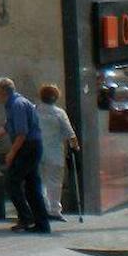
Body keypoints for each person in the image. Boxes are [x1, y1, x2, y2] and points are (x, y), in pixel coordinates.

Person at [0, 77, 51, 233]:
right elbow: (8, 126)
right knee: (32, 185)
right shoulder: (14, 104)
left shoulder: (17, 105)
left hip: (28, 147)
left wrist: (12, 152)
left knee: (12, 182)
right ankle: (41, 223)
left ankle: (26, 218)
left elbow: (21, 133)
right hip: (31, 146)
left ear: (3, 91)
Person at [36, 84, 80, 221]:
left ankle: (43, 208)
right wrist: (76, 147)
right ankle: (54, 210)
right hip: (54, 153)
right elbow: (70, 133)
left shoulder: (34, 110)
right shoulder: (59, 113)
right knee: (54, 181)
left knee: (40, 181)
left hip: (37, 151)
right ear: (55, 98)